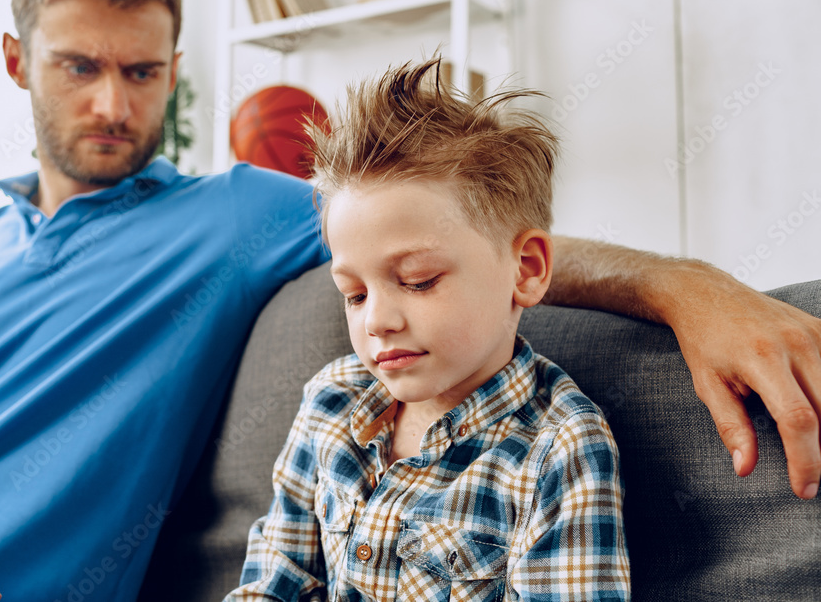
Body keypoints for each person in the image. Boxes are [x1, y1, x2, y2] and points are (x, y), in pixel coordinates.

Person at [0, 0, 818, 600]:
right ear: (14, 61)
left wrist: (688, 286)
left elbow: (456, 235)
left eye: (143, 72)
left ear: (175, 70)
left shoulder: (234, 213)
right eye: (77, 67)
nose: (113, 106)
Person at [227, 59, 630, 600]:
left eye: (418, 281)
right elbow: (272, 584)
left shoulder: (559, 448)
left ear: (526, 269)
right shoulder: (330, 403)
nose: (377, 320)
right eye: (355, 294)